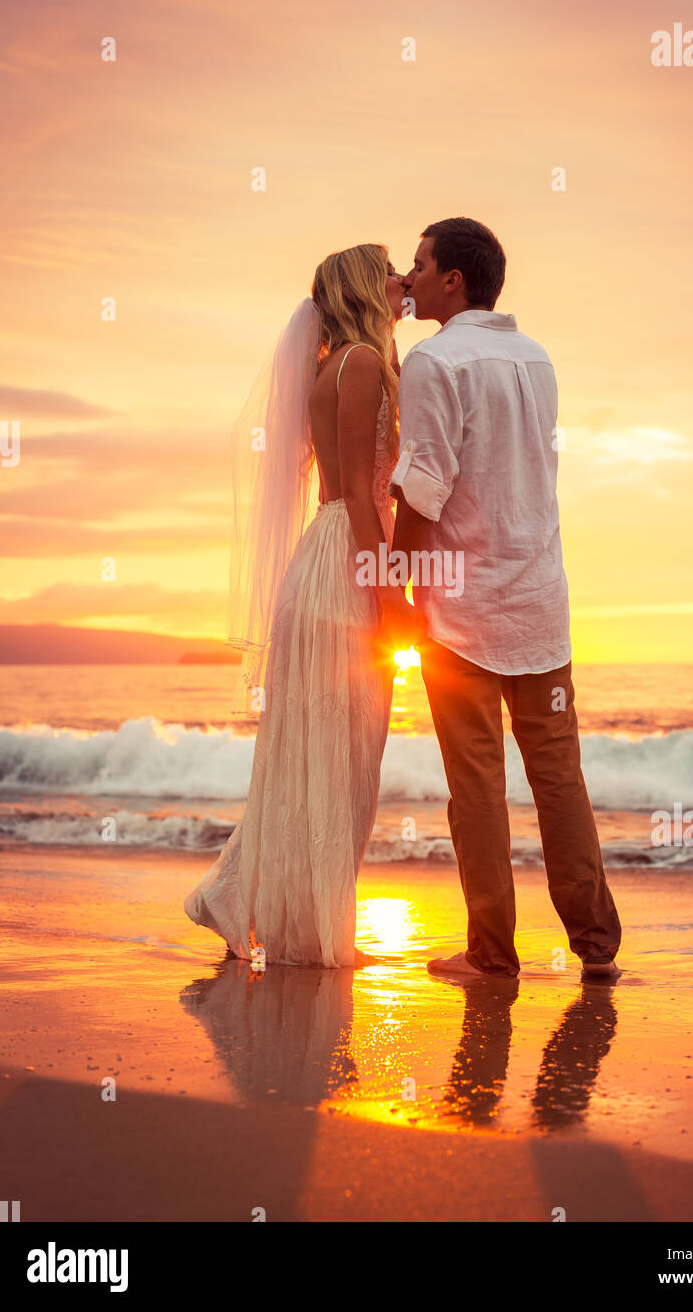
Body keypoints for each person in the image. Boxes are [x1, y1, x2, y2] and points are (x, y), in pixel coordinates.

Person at [390, 217, 622, 981]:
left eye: (419, 265)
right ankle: (595, 947)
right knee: (560, 778)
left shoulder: (436, 360)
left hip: (463, 613)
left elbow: (424, 487)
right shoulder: (535, 357)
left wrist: (396, 586)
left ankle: (492, 952)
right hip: (540, 605)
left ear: (453, 279)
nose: (411, 276)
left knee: (477, 787)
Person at [184, 244, 418, 967]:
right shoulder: (362, 366)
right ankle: (298, 922)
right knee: (343, 753)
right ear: (362, 287)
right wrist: (391, 598)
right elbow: (356, 492)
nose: (403, 280)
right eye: (389, 272)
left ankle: (253, 901)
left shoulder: (334, 366)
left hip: (326, 560)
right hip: (345, 563)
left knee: (315, 754)